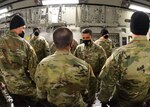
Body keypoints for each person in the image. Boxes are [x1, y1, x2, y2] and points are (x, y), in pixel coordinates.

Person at [98, 11, 150, 107]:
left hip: (122, 103)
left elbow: (108, 81)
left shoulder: (120, 54)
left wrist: (103, 100)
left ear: (131, 28)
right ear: (147, 29)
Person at [35, 27, 97, 107]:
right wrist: (89, 102)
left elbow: (40, 91)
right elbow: (92, 87)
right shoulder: (84, 66)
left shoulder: (43, 65)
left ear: (54, 43)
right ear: (72, 43)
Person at [0, 15, 38, 106]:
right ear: (17, 27)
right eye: (23, 28)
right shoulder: (25, 44)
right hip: (26, 89)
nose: (23, 30)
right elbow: (34, 70)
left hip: (9, 87)